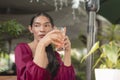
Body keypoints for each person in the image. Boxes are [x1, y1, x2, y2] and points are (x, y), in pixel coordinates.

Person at [15, 12, 76, 80]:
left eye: (46, 25)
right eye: (37, 25)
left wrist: (67, 51)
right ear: (31, 29)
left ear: (52, 29)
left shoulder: (55, 55)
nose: (42, 30)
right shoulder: (22, 49)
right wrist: (42, 44)